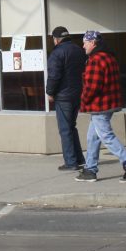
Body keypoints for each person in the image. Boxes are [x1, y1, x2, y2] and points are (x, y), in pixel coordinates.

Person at [76, 30, 126, 183]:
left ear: (93, 43)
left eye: (85, 42)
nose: (83, 45)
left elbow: (92, 86)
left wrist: (83, 100)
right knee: (92, 136)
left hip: (100, 105)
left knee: (106, 136)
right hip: (108, 103)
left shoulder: (96, 59)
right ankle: (90, 169)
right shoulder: (108, 57)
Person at [46, 26, 86, 171]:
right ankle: (79, 159)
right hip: (77, 94)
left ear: (56, 39)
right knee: (71, 127)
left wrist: (50, 92)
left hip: (63, 96)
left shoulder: (57, 53)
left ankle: (71, 162)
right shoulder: (78, 50)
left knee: (65, 129)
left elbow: (54, 75)